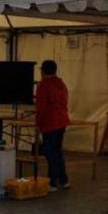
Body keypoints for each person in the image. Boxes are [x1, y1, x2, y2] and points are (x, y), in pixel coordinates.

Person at [35, 59, 70, 191]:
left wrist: (38, 124)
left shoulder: (43, 86)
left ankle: (52, 182)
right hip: (62, 121)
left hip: (50, 123)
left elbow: (41, 108)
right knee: (58, 151)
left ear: (43, 71)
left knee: (50, 153)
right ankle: (63, 180)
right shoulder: (61, 84)